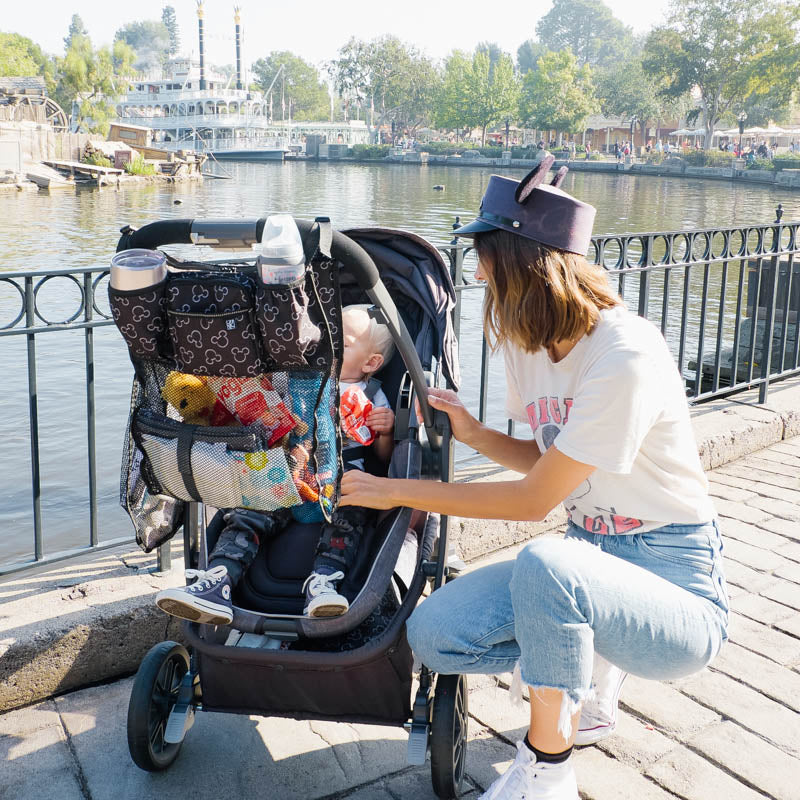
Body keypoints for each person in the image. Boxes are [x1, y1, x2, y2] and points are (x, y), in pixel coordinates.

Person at [340, 159, 729, 800]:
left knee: (549, 564)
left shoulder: (624, 356)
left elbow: (532, 500)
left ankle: (548, 765)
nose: (477, 274)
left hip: (672, 577)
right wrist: (475, 433)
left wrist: (393, 490)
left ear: (525, 267)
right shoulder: (528, 345)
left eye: (485, 260)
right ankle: (574, 663)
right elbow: (546, 458)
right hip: (587, 562)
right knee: (435, 633)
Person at [155, 304, 396, 622]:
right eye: (325, 338)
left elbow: (382, 459)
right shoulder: (297, 381)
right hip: (291, 469)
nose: (327, 348)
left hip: (343, 476)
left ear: (371, 362)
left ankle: (323, 583)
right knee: (249, 512)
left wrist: (385, 431)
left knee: (349, 518)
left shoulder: (372, 395)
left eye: (343, 343)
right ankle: (219, 581)